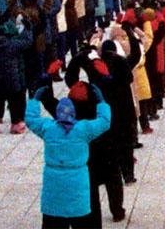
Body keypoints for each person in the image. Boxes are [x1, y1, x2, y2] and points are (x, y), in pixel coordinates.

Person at [25, 82, 112, 229]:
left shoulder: (48, 128)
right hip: (78, 187)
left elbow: (31, 119)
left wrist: (34, 100)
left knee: (53, 223)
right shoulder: (83, 129)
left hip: (53, 189)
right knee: (83, 222)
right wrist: (101, 102)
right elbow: (104, 122)